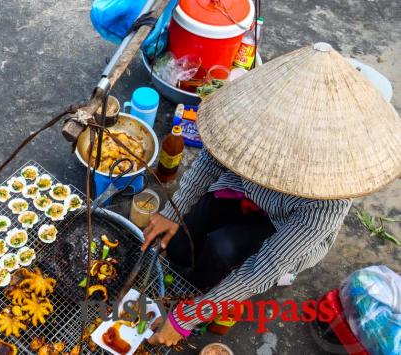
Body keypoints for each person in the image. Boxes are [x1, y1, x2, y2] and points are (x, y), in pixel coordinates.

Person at [143, 43, 401, 346]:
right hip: (242, 192)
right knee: (184, 236)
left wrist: (188, 316)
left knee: (221, 248)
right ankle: (188, 274)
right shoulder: (257, 124)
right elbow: (210, 160)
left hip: (283, 225)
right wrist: (174, 213)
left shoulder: (329, 202)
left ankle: (201, 296)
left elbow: (263, 268)